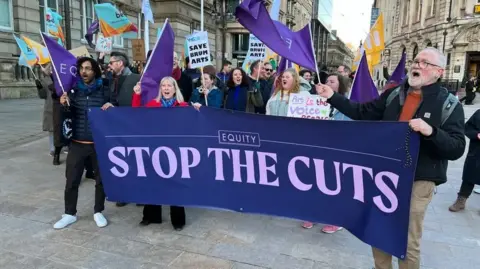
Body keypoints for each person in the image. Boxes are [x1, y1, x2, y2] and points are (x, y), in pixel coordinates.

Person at [316, 47, 466, 269]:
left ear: (439, 72)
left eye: (425, 63)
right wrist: (332, 97)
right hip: (384, 176)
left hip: (419, 178)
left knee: (406, 240)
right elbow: (363, 113)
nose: (417, 65)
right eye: (416, 61)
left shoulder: (448, 104)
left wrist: (431, 132)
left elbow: (456, 148)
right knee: (380, 231)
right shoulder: (395, 94)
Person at [53, 57, 113, 230]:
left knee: (101, 180)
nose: (83, 71)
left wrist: (111, 106)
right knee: (71, 180)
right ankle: (69, 213)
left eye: (87, 68)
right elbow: (67, 116)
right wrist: (64, 104)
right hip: (77, 143)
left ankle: (98, 211)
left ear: (95, 71)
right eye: (81, 68)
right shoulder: (72, 90)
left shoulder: (105, 89)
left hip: (98, 143)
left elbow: (115, 108)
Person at [131, 77, 194, 230]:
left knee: (175, 185)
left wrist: (198, 109)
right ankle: (151, 216)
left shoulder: (184, 106)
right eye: (163, 85)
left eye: (169, 85)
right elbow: (136, 114)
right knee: (153, 183)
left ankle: (178, 220)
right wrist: (137, 95)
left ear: (175, 88)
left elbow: (193, 125)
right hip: (155, 150)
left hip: (175, 152)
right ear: (160, 89)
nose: (166, 88)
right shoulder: (153, 104)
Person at [301, 73, 351, 231]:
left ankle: (337, 219)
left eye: (332, 81)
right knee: (315, 182)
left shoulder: (347, 105)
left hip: (338, 150)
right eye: (327, 80)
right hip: (317, 148)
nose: (327, 83)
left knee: (335, 185)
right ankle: (314, 214)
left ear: (340, 86)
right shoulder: (316, 102)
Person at [108, 51, 140, 207]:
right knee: (123, 160)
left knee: (136, 160)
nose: (109, 65)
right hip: (118, 125)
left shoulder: (136, 78)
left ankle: (140, 194)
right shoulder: (112, 79)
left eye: (112, 62)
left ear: (120, 63)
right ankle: (125, 193)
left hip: (133, 126)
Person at [448, 109, 480, 212]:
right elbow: (467, 127)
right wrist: (477, 134)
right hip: (476, 152)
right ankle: (461, 200)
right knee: (469, 176)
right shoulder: (479, 113)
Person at [35, 64, 55, 157]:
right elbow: (42, 95)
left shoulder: (60, 78)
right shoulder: (44, 80)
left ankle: (63, 145)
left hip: (60, 105)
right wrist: (39, 88)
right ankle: (52, 148)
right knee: (51, 129)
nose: (51, 69)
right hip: (50, 107)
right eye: (50, 68)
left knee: (61, 127)